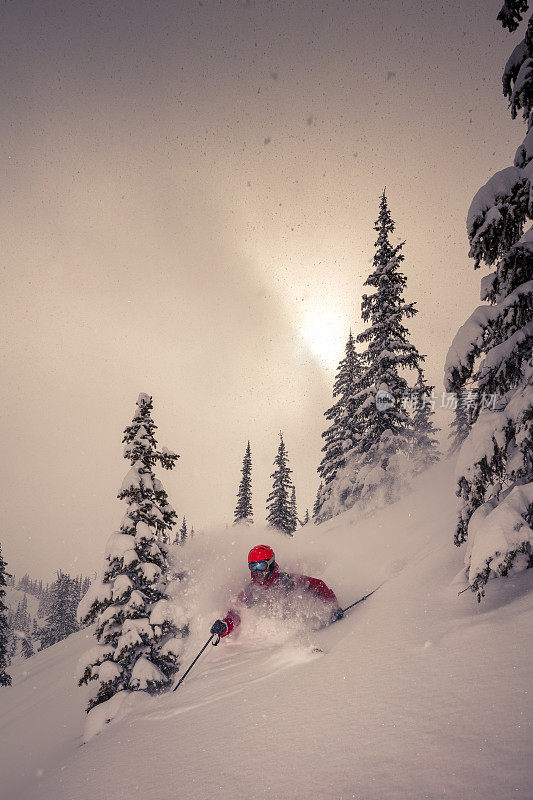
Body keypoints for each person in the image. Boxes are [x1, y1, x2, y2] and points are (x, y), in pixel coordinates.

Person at [210, 544, 343, 638]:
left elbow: (318, 585)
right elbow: (236, 613)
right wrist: (225, 625)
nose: (257, 571)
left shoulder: (287, 580)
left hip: (298, 635)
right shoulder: (250, 591)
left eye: (261, 565)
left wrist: (333, 605)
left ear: (271, 563)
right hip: (268, 645)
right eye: (253, 566)